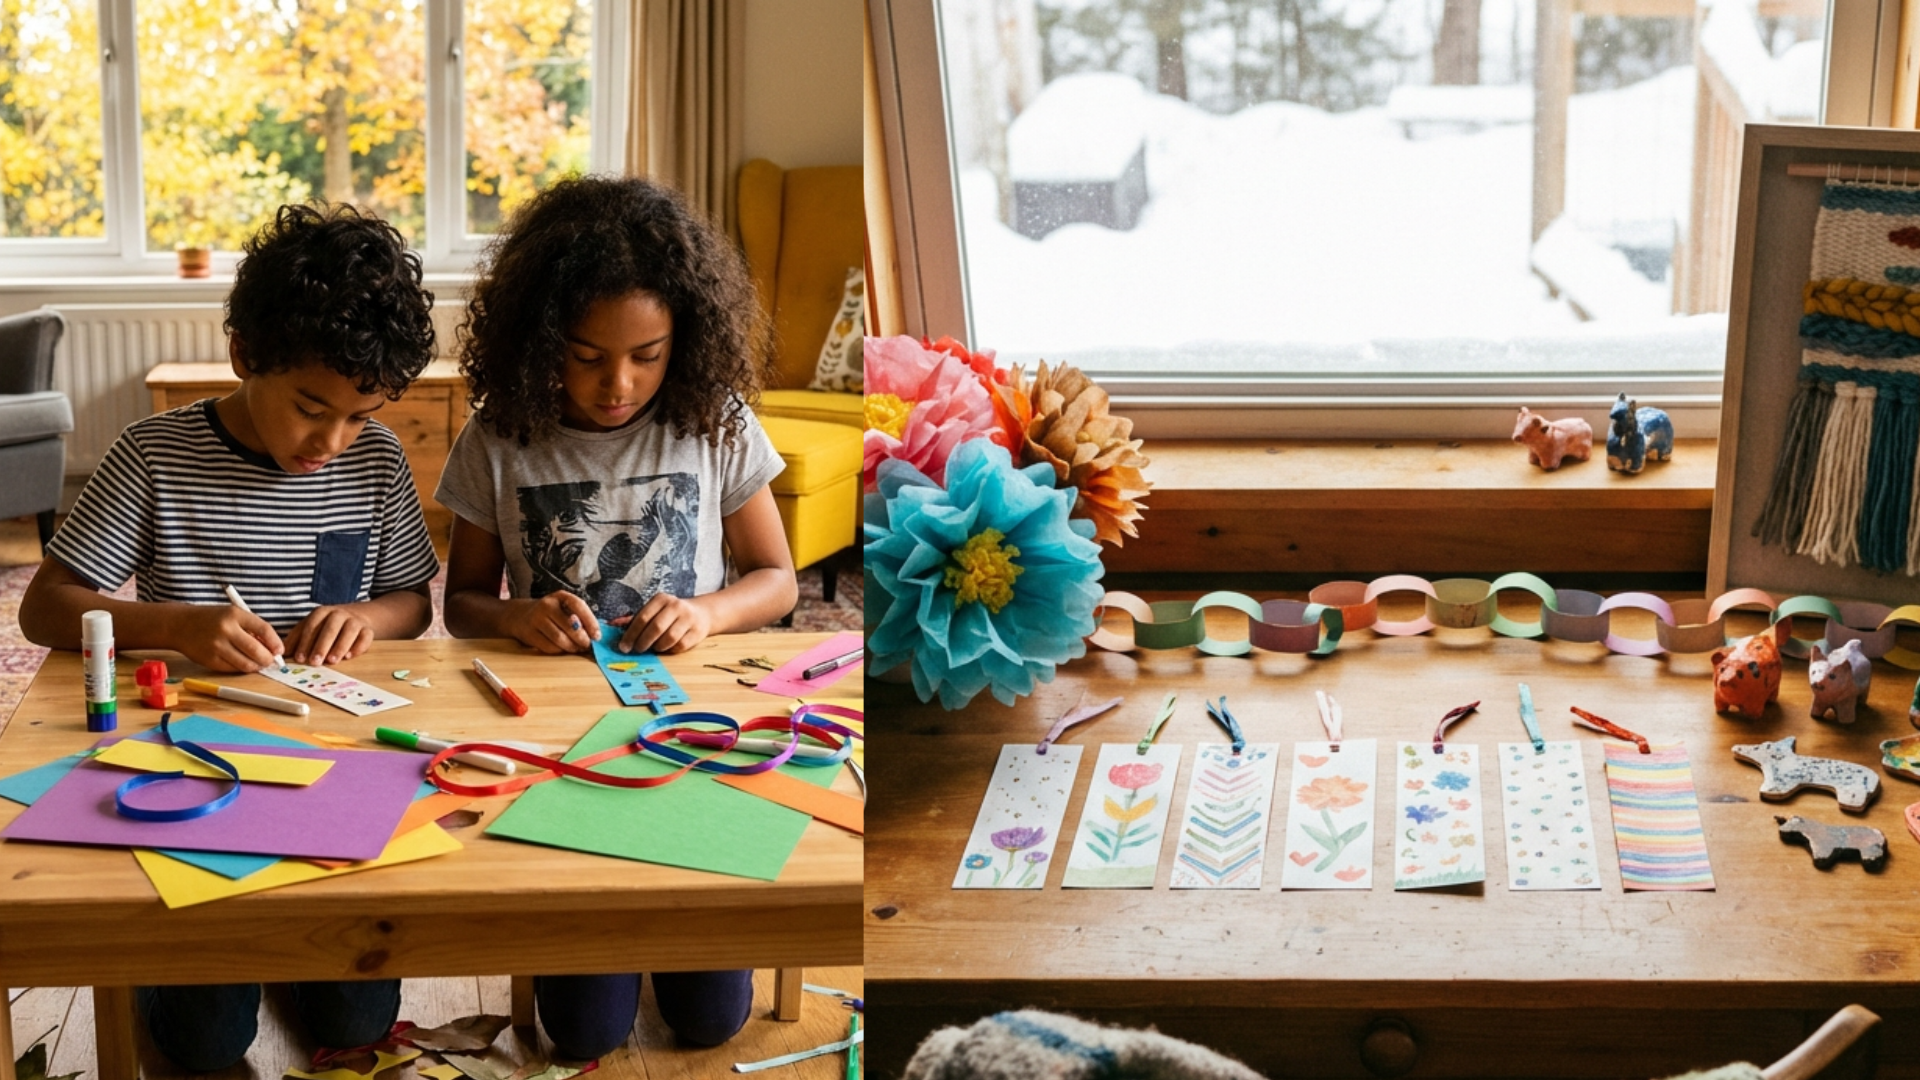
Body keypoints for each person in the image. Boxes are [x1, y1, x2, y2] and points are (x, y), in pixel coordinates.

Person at [17, 202, 441, 1068]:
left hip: (339, 762)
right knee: (204, 1045)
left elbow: (411, 599)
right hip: (196, 763)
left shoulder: (378, 460)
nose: (332, 440)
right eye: (311, 407)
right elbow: (44, 607)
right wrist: (173, 625)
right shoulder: (155, 453)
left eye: (360, 414)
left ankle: (284, 947)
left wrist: (367, 615)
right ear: (246, 355)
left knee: (355, 1026)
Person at [436, 174, 797, 1057]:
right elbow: (463, 605)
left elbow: (777, 580)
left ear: (687, 338)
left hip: (694, 725)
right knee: (583, 1033)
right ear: (538, 337)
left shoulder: (714, 419)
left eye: (647, 353)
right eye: (587, 355)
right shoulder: (501, 434)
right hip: (562, 737)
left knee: (711, 1022)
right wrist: (517, 620)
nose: (617, 384)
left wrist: (708, 614)